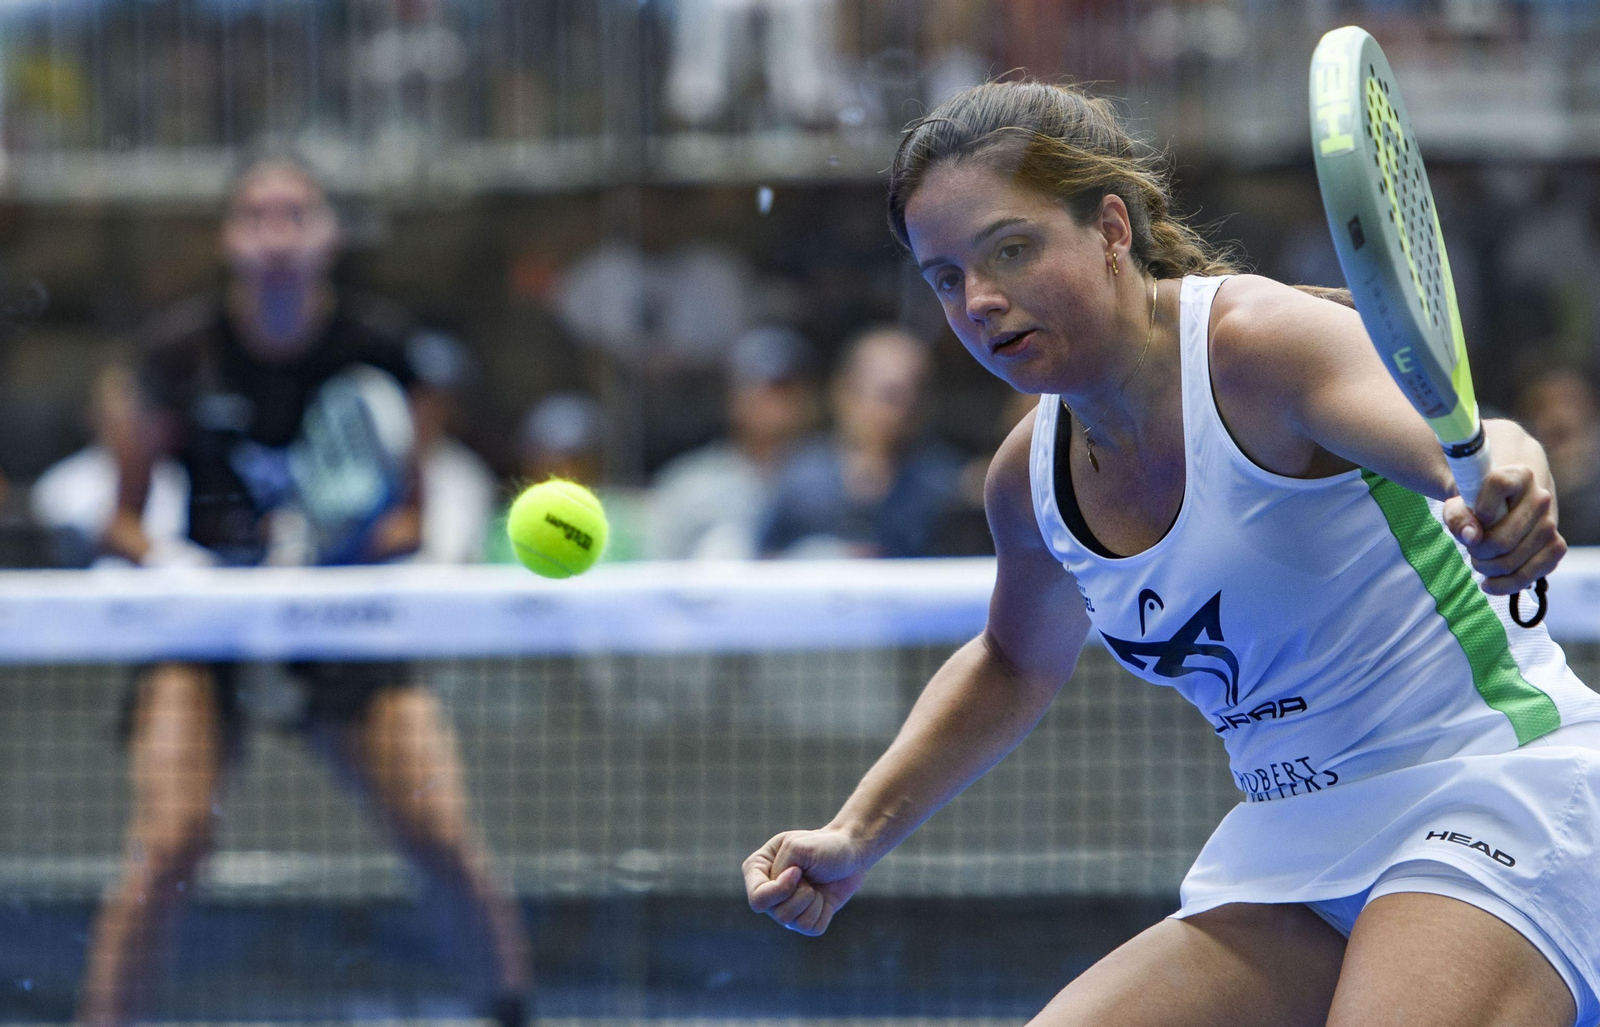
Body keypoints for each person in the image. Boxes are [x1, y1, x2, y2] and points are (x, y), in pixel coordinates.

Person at [742, 80, 1600, 1027]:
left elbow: (1468, 446)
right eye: (946, 278)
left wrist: (1511, 478)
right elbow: (1013, 662)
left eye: (1011, 249)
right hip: (1295, 841)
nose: (979, 300)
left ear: (1111, 229)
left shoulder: (1256, 346)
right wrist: (855, 833)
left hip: (1489, 783)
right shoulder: (1027, 480)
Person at [81, 150, 532, 1027]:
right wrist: (179, 565)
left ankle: (513, 1012)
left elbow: (409, 516)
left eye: (296, 215)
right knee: (168, 841)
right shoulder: (177, 353)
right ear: (229, 238)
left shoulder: (384, 351)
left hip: (340, 617)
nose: (277, 235)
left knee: (441, 832)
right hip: (212, 620)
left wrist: (325, 557)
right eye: (257, 216)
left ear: (329, 235)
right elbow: (120, 521)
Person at [756, 325, 963, 558]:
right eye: (891, 395)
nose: (904, 409)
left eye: (917, 392)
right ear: (844, 392)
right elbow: (763, 560)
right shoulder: (801, 479)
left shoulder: (944, 485)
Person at [647, 325, 817, 560]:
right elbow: (659, 566)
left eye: (784, 389)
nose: (772, 403)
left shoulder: (837, 478)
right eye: (759, 388)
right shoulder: (691, 484)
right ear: (733, 397)